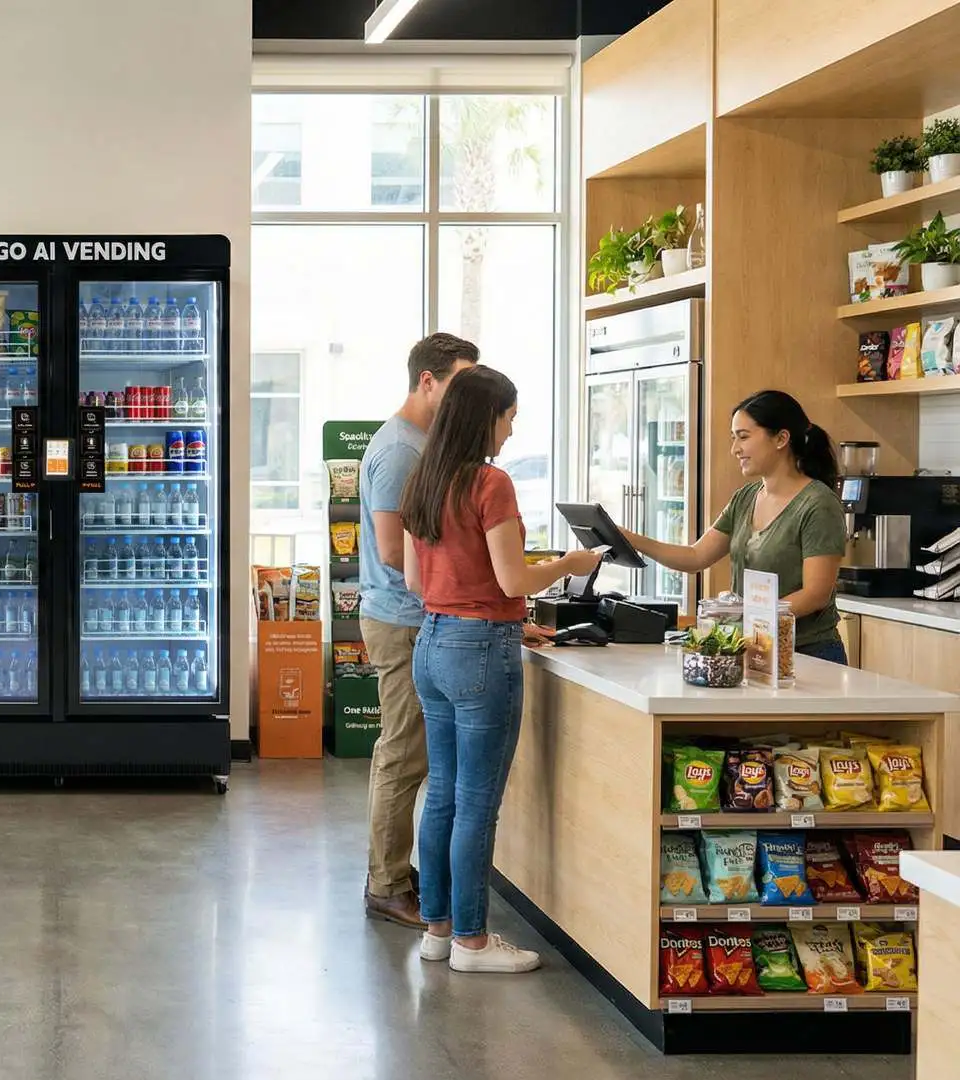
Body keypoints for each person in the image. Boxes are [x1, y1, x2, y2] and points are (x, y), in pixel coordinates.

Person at [400, 366, 601, 974]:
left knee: (442, 793)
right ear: (485, 417)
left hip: (432, 641)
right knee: (476, 801)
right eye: (509, 418)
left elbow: (415, 580)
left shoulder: (423, 479)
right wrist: (569, 564)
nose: (511, 431)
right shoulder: (491, 483)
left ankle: (437, 931)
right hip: (482, 648)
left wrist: (481, 604)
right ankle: (473, 942)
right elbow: (514, 580)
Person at [359, 333, 479, 931]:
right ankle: (385, 885)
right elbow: (392, 550)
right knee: (404, 754)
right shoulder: (401, 452)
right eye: (459, 383)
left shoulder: (424, 444)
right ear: (427, 381)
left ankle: (395, 871)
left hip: (418, 618)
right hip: (401, 621)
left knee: (412, 753)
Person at [620, 390, 847, 662]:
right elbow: (695, 556)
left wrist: (743, 615)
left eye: (743, 437)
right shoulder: (745, 498)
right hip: (754, 649)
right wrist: (629, 539)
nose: (735, 449)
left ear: (781, 439)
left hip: (808, 654)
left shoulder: (818, 504)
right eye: (734, 438)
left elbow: (815, 595)